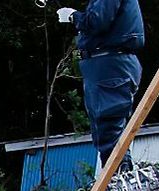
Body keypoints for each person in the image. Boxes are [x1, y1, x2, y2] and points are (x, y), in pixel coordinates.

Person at [58, 0, 144, 170]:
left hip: (109, 65)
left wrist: (73, 16)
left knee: (109, 131)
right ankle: (119, 183)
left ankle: (120, 184)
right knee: (109, 133)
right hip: (110, 65)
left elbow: (97, 21)